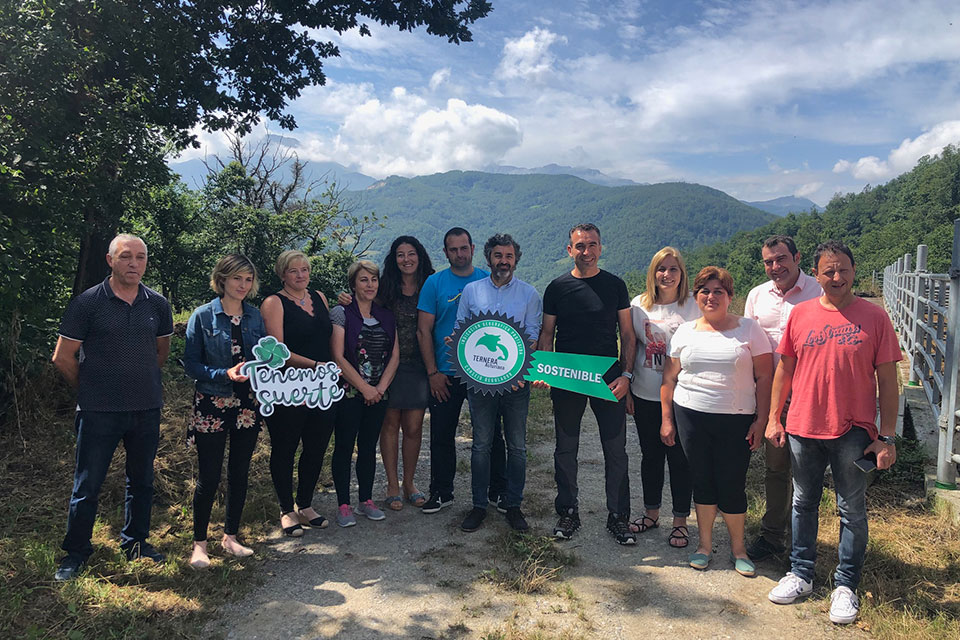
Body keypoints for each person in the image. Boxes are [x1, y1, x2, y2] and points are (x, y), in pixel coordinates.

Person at [766, 241, 900, 625]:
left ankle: (845, 585)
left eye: (842, 269)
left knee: (851, 510)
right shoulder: (801, 315)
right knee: (803, 502)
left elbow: (888, 382)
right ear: (817, 275)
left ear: (854, 271)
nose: (836, 277)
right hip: (803, 427)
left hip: (853, 432)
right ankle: (801, 573)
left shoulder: (874, 318)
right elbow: (784, 371)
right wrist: (775, 417)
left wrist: (886, 437)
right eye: (828, 271)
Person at [51, 234, 174, 580]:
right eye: (125, 257)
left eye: (140, 257)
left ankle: (135, 542)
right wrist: (91, 387)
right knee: (87, 485)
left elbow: (160, 353)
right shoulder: (87, 303)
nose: (134, 263)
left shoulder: (158, 305)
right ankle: (76, 553)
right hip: (98, 411)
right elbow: (62, 357)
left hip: (146, 407)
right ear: (110, 260)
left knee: (142, 481)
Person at [661, 266, 772, 576]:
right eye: (704, 292)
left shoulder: (750, 330)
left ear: (730, 296)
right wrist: (666, 419)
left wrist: (761, 421)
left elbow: (765, 377)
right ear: (696, 297)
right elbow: (670, 378)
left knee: (732, 483)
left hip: (736, 419)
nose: (711, 297)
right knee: (703, 481)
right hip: (691, 416)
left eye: (718, 291)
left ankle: (739, 549)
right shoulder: (685, 331)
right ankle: (704, 546)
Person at [537, 223, 638, 545]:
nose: (586, 251)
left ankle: (619, 517)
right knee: (566, 448)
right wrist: (545, 369)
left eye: (592, 245)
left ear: (601, 248)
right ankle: (567, 512)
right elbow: (546, 334)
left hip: (609, 377)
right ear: (570, 250)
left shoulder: (615, 285)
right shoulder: (556, 287)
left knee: (616, 450)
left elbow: (628, 334)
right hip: (568, 375)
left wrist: (627, 376)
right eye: (580, 246)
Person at [339, 237, 435, 510]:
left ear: (420, 256)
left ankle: (410, 483)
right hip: (385, 366)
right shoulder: (385, 289)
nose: (406, 259)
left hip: (419, 364)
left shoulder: (431, 284)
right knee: (390, 425)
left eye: (411, 253)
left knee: (414, 427)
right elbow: (362, 303)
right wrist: (344, 298)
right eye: (400, 254)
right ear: (393, 259)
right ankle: (392, 486)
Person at [183, 254, 266, 569]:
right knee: (209, 475)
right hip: (212, 403)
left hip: (248, 404)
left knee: (240, 472)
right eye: (237, 278)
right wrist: (223, 374)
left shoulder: (256, 317)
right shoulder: (202, 316)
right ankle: (199, 545)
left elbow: (265, 358)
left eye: (248, 279)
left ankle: (230, 536)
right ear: (222, 279)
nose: (243, 285)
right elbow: (191, 364)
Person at [455, 234, 542, 532]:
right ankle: (479, 505)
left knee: (517, 446)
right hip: (480, 384)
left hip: (516, 386)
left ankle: (513, 504)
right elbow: (461, 332)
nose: (503, 261)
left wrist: (519, 372)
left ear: (516, 259)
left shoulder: (530, 295)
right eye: (497, 255)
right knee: (481, 445)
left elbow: (531, 335)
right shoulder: (471, 291)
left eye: (508, 256)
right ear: (488, 258)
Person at [743, 235, 822, 562]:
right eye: (769, 261)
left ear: (797, 257)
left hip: (809, 394)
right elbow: (748, 344)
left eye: (781, 259)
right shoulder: (757, 296)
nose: (775, 266)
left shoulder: (818, 292)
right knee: (775, 469)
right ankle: (774, 536)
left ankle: (804, 545)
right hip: (772, 397)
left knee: (807, 472)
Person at [417, 228, 507, 514]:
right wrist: (433, 372)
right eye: (453, 250)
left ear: (472, 248)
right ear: (445, 253)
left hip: (484, 372)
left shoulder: (486, 279)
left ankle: (498, 491)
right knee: (442, 434)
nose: (459, 254)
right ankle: (442, 492)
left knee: (492, 433)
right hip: (445, 372)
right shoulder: (434, 283)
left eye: (463, 248)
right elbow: (424, 330)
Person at [627, 247, 699, 548]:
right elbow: (630, 346)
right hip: (645, 392)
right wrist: (627, 386)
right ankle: (652, 513)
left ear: (682, 273)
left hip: (684, 396)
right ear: (652, 273)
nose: (666, 275)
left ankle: (681, 521)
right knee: (651, 456)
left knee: (680, 459)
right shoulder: (638, 306)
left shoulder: (694, 306)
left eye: (673, 269)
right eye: (661, 269)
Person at [261, 250, 335, 537]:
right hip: (288, 387)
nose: (301, 275)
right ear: (283, 274)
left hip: (321, 386)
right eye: (294, 271)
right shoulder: (274, 303)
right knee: (285, 447)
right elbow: (276, 351)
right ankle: (286, 509)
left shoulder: (319, 297)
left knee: (316, 446)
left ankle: (305, 504)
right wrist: (315, 365)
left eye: (304, 269)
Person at [330, 260, 400, 526]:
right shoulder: (341, 313)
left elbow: (395, 354)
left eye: (373, 279)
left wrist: (380, 388)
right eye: (363, 280)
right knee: (345, 446)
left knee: (369, 447)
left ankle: (366, 500)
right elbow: (337, 356)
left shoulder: (386, 316)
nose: (370, 285)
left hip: (379, 393)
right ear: (353, 284)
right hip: (348, 393)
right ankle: (343, 504)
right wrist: (365, 388)